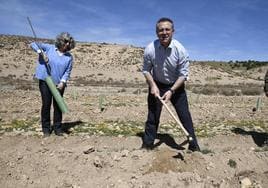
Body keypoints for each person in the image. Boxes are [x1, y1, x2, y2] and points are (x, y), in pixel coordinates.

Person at [142, 17, 200, 152]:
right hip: (157, 85)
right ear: (156, 33)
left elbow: (183, 75)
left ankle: (194, 147)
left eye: (167, 29)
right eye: (160, 30)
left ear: (173, 31)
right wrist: (152, 85)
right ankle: (147, 145)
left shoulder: (180, 50)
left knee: (185, 116)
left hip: (176, 87)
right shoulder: (150, 49)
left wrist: (172, 91)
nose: (164, 32)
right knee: (152, 116)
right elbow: (146, 70)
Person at [30, 32, 75, 137]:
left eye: (69, 42)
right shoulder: (49, 48)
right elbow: (33, 44)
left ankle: (57, 128)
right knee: (46, 104)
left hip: (58, 84)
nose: (67, 44)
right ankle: (46, 129)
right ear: (60, 40)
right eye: (65, 41)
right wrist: (40, 53)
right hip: (45, 81)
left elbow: (67, 71)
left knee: (58, 105)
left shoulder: (69, 57)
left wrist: (63, 82)